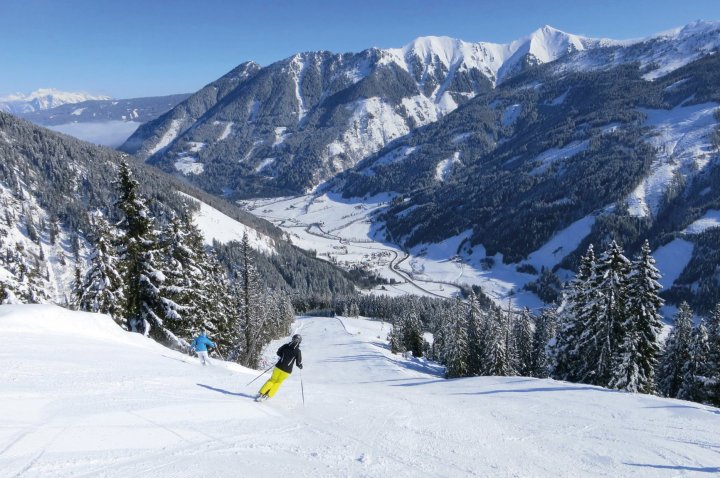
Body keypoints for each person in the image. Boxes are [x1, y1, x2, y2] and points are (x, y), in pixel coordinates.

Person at [256, 334, 303, 401]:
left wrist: (283, 357)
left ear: (292, 339)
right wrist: (300, 366)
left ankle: (262, 392)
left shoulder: (286, 346)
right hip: (287, 371)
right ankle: (269, 395)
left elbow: (278, 353)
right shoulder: (298, 351)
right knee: (278, 382)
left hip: (279, 367)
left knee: (272, 380)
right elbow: (298, 363)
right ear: (299, 342)